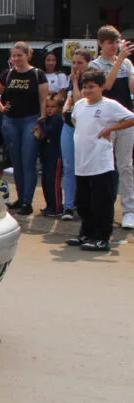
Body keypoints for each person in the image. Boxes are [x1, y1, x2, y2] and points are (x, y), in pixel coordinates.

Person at [66, 70, 134, 251]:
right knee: (83, 202)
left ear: (101, 87)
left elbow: (130, 118)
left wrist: (111, 128)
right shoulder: (80, 105)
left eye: (92, 87)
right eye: (85, 87)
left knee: (101, 203)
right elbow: (74, 120)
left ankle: (101, 237)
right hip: (82, 162)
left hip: (101, 163)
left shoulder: (109, 105)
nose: (88, 90)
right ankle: (86, 233)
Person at [0, 42, 48, 216]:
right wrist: (0, 108)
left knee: (28, 162)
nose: (16, 59)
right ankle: (20, 198)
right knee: (17, 163)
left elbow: (43, 100)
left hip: (30, 121)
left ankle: (28, 201)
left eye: (19, 55)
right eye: (14, 56)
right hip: (11, 121)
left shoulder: (38, 74)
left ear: (27, 55)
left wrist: (41, 119)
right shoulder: (8, 74)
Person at [87, 25, 134, 229]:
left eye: (116, 42)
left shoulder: (127, 63)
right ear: (100, 44)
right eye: (110, 43)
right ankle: (102, 209)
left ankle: (129, 211)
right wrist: (121, 60)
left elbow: (131, 87)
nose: (114, 46)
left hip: (126, 119)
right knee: (104, 166)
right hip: (105, 121)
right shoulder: (95, 65)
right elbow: (107, 86)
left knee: (126, 166)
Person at [60, 49, 94, 221]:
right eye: (73, 62)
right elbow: (70, 99)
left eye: (80, 63)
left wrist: (75, 83)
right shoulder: (71, 79)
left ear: (88, 64)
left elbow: (81, 101)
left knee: (85, 168)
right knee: (69, 167)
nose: (76, 66)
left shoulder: (89, 81)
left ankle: (84, 205)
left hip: (84, 128)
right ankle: (68, 206)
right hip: (68, 125)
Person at [34, 93, 64, 217]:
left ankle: (57, 207)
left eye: (53, 107)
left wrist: (41, 123)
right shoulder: (49, 119)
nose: (50, 109)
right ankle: (49, 205)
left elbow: (49, 131)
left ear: (59, 108)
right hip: (47, 154)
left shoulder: (57, 119)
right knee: (46, 181)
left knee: (54, 181)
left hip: (56, 154)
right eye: (48, 107)